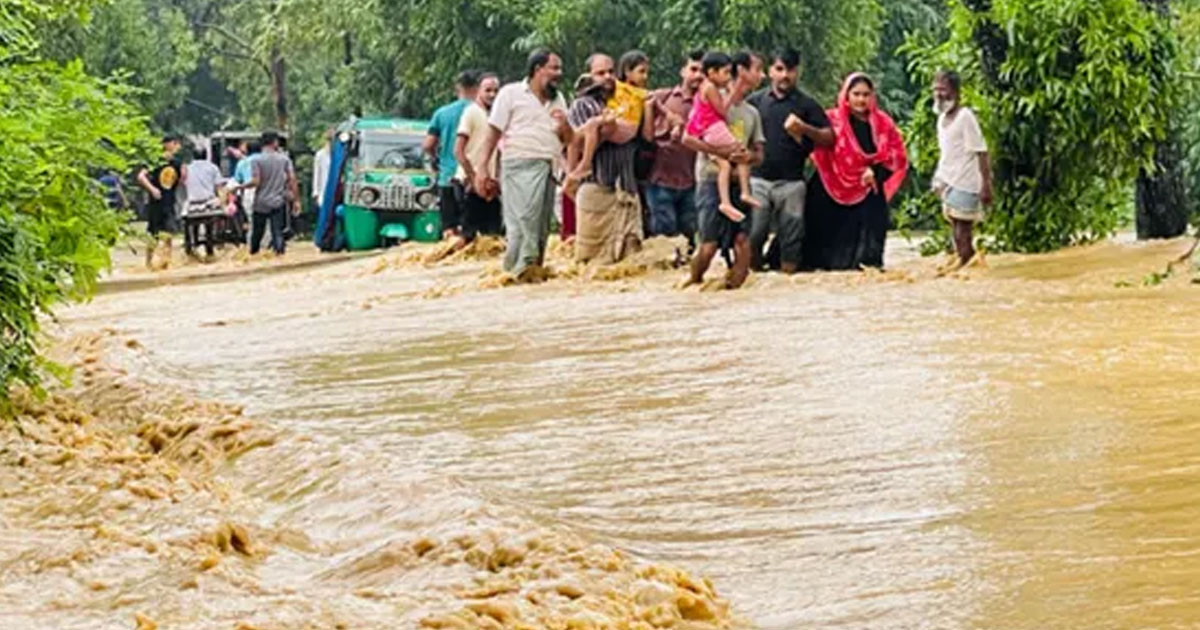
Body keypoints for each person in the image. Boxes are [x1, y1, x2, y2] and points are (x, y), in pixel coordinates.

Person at [474, 49, 571, 280]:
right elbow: (493, 132)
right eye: (554, 68)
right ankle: (514, 270)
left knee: (540, 227)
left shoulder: (558, 99)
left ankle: (533, 271)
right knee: (523, 221)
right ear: (538, 69)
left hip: (549, 166)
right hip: (518, 165)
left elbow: (568, 139)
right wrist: (482, 168)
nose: (559, 73)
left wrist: (564, 125)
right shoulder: (511, 93)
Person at [805, 73, 909, 271]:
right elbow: (813, 144)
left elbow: (897, 156)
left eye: (866, 94)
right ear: (846, 95)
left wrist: (875, 170)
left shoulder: (883, 123)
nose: (861, 100)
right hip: (831, 188)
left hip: (870, 186)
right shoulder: (831, 121)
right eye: (856, 94)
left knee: (868, 257)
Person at [683, 51, 765, 289]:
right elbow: (688, 138)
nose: (760, 76)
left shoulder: (752, 113)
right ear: (741, 72)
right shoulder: (710, 101)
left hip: (738, 182)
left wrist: (748, 157)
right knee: (708, 246)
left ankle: (733, 294)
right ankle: (694, 284)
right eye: (757, 70)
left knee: (743, 244)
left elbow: (759, 154)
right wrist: (720, 153)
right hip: (710, 181)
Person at [747, 48, 834, 273]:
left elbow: (830, 138)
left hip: (793, 182)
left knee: (792, 236)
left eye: (791, 70)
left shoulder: (806, 104)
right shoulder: (755, 102)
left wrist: (804, 128)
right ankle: (753, 275)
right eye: (779, 69)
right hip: (757, 180)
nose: (785, 75)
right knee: (755, 231)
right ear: (770, 71)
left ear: (798, 72)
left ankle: (788, 280)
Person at [567, 52, 653, 264]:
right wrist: (608, 127)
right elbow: (575, 143)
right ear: (589, 76)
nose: (607, 77)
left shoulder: (627, 101)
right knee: (592, 264)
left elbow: (645, 137)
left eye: (610, 71)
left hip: (627, 189)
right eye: (600, 73)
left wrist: (645, 109)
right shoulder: (583, 104)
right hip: (596, 187)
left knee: (631, 264)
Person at [686, 51, 760, 224]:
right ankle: (744, 192)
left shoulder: (704, 89)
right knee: (741, 151)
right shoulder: (710, 88)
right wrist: (733, 92)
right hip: (714, 129)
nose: (728, 77)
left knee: (725, 166)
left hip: (706, 132)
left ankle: (726, 202)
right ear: (712, 73)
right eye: (725, 72)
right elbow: (722, 110)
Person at [932, 70, 992, 268]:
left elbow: (981, 152)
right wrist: (938, 179)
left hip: (967, 182)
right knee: (955, 232)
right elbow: (946, 153)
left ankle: (967, 267)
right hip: (948, 181)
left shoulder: (965, 117)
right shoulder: (941, 119)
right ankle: (968, 268)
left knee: (962, 232)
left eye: (944, 89)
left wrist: (986, 185)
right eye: (936, 89)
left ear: (956, 92)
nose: (939, 94)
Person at [646, 50, 704, 245]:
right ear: (682, 71)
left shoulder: (707, 105)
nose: (698, 75)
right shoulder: (663, 97)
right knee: (664, 239)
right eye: (693, 69)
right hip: (660, 180)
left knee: (689, 237)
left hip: (692, 182)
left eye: (702, 71)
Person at [448, 72, 503, 252]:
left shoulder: (497, 116)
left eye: (496, 90)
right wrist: (473, 178)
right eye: (488, 90)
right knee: (469, 238)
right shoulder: (471, 113)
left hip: (490, 184)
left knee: (492, 238)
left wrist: (497, 179)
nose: (492, 95)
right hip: (468, 183)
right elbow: (458, 150)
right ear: (478, 91)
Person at [426, 71, 481, 238]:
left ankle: (450, 256)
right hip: (476, 179)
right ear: (478, 88)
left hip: (448, 177)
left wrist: (437, 160)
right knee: (476, 231)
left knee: (450, 228)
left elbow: (428, 145)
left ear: (458, 87)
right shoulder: (482, 112)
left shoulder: (442, 113)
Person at [238, 131, 300, 255]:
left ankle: (253, 254)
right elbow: (292, 179)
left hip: (260, 202)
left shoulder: (256, 160)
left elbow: (256, 181)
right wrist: (296, 200)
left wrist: (240, 187)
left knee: (257, 232)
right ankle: (279, 254)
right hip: (278, 201)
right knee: (277, 231)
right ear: (275, 142)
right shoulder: (284, 159)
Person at [136, 135, 187, 267]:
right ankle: (148, 263)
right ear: (167, 145)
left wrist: (183, 173)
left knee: (168, 233)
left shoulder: (177, 163)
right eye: (174, 143)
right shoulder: (156, 161)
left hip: (169, 201)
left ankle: (166, 262)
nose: (177, 147)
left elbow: (182, 180)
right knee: (153, 233)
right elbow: (141, 176)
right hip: (156, 203)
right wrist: (152, 189)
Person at [312, 128, 334, 211]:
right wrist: (316, 192)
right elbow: (317, 174)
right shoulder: (320, 154)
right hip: (323, 191)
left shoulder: (338, 154)